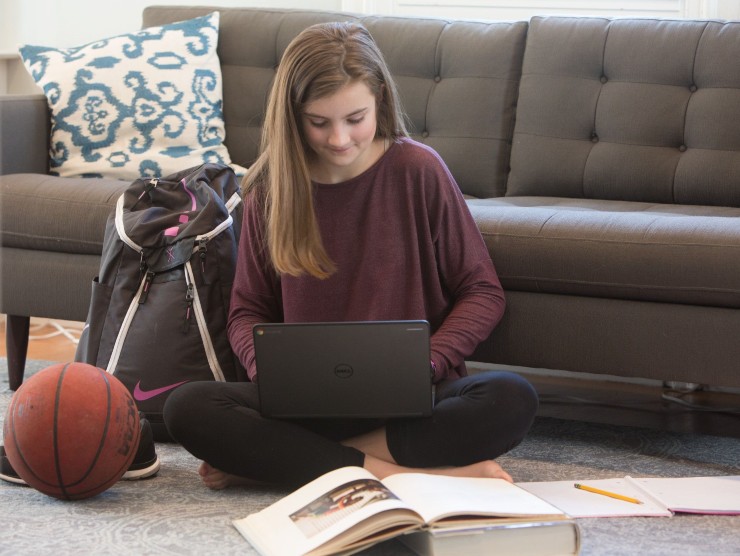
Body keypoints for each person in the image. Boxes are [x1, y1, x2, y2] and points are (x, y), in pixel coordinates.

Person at [163, 21, 538, 490]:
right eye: (319, 123)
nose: (339, 139)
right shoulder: (271, 188)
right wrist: (272, 375)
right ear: (293, 115)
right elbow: (247, 310)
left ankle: (299, 460)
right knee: (186, 408)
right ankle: (399, 473)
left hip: (414, 397)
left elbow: (482, 292)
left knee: (510, 398)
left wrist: (430, 361)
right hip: (306, 405)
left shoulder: (419, 169)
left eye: (354, 118)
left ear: (379, 98)